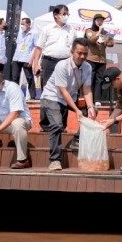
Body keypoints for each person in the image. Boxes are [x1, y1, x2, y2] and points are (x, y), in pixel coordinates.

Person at [38, 38, 97, 171]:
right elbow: (62, 91)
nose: (82, 56)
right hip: (53, 96)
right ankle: (55, 160)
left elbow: (87, 89)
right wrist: (76, 110)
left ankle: (77, 140)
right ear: (72, 52)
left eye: (85, 54)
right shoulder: (62, 66)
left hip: (71, 96)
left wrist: (90, 107)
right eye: (79, 53)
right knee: (57, 125)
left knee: (93, 110)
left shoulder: (88, 67)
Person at [31, 4, 73, 99]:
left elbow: (73, 49)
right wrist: (36, 64)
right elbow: (39, 48)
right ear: (55, 15)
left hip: (65, 62)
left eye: (67, 14)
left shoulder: (71, 30)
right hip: (48, 62)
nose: (66, 16)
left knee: (63, 87)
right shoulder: (47, 29)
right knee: (46, 87)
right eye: (64, 14)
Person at [84, 14, 114, 106]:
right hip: (90, 59)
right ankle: (89, 99)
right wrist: (99, 31)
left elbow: (110, 44)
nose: (100, 22)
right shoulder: (89, 31)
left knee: (100, 80)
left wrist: (110, 39)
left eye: (101, 21)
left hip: (102, 60)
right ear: (94, 21)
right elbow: (92, 40)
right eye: (98, 20)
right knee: (90, 79)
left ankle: (97, 99)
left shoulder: (106, 33)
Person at [11, 17, 37, 100]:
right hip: (17, 57)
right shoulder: (20, 32)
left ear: (29, 24)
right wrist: (13, 58)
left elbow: (36, 47)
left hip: (27, 58)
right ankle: (15, 95)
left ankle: (32, 96)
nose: (22, 26)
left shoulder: (34, 33)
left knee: (29, 77)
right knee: (15, 77)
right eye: (21, 24)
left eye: (23, 24)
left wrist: (31, 60)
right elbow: (18, 45)